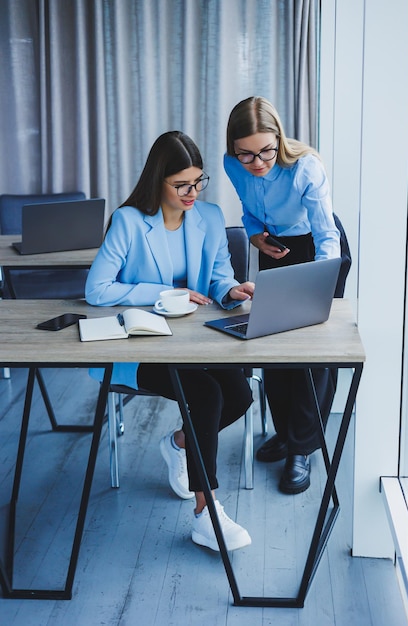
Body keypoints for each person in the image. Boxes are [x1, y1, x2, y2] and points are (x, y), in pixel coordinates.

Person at [86, 130, 255, 551]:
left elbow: (218, 275)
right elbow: (97, 289)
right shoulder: (129, 222)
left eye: (199, 181)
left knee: (238, 395)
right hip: (141, 345)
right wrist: (160, 295)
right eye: (182, 184)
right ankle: (206, 513)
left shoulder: (210, 218)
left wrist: (229, 291)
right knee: (205, 396)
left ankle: (179, 443)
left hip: (194, 342)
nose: (192, 192)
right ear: (158, 180)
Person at [224, 96, 341, 495]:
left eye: (266, 151)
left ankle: (303, 447)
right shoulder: (231, 165)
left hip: (316, 249)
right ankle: (287, 432)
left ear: (279, 137)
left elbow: (328, 235)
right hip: (273, 246)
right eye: (247, 155)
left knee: (311, 351)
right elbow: (249, 211)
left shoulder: (306, 166)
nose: (258, 163)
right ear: (233, 150)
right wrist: (256, 234)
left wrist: (320, 280)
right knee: (271, 344)